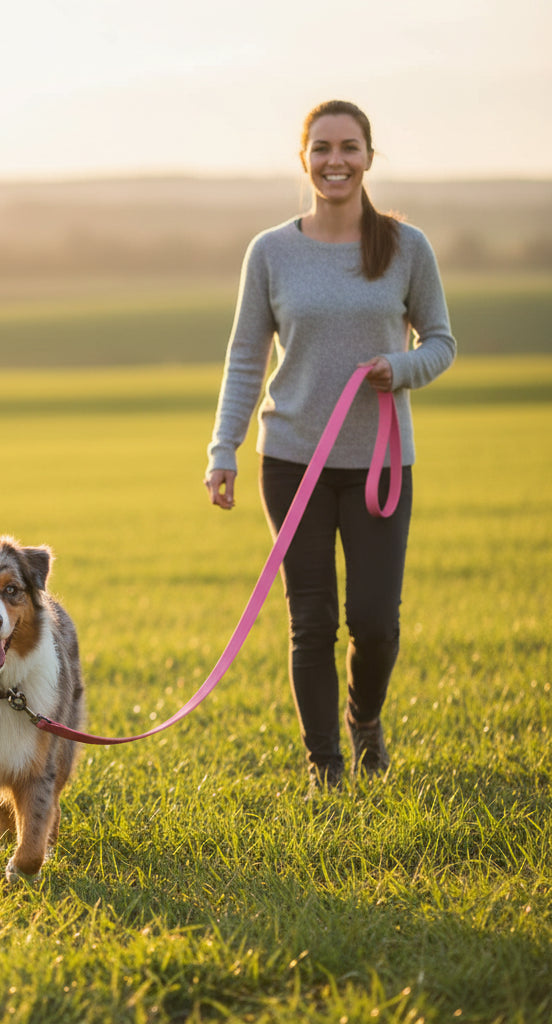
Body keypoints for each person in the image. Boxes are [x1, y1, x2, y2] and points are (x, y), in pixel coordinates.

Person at [204, 100, 456, 796]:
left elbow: (441, 342)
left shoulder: (407, 248)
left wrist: (396, 368)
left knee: (373, 623)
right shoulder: (271, 252)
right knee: (310, 620)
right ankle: (327, 767)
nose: (334, 160)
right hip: (291, 462)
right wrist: (223, 449)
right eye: (321, 148)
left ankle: (365, 720)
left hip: (379, 463)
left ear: (370, 157)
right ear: (303, 158)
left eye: (348, 147)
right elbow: (245, 360)